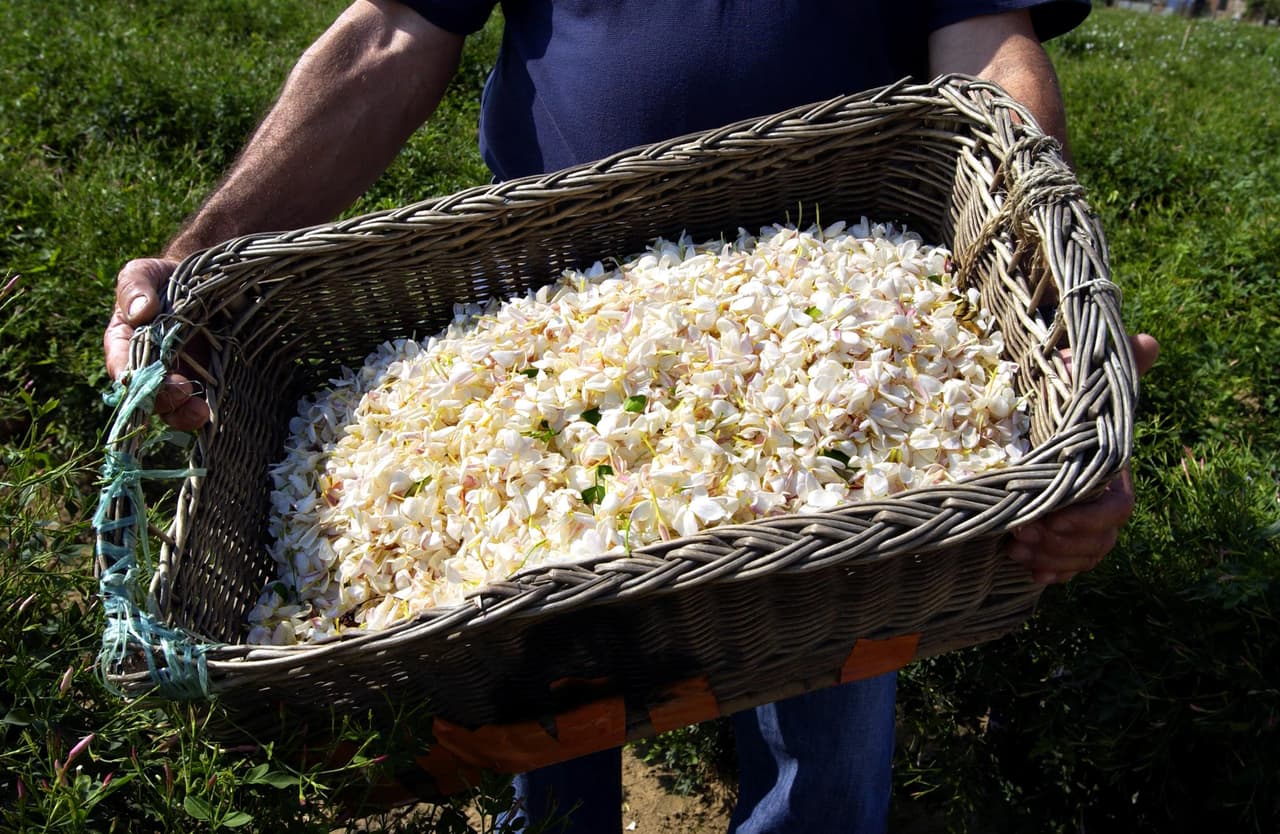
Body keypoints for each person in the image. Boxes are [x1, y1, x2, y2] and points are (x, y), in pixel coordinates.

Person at [103, 2, 1160, 831]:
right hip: (548, 303)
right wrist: (202, 259)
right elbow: (391, 29)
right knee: (535, 692)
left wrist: (1051, 340)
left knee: (827, 704)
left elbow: (987, 55)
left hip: (844, 328)